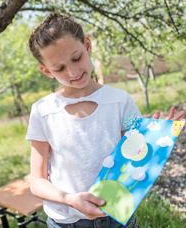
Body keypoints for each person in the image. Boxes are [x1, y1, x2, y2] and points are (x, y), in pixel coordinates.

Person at [26, 13, 185, 228]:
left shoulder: (120, 101)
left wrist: (157, 139)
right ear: (46, 71)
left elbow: (133, 157)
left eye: (76, 58)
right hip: (66, 223)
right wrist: (69, 199)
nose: (73, 71)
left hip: (118, 218)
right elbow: (37, 182)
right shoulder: (43, 112)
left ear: (87, 45)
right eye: (60, 68)